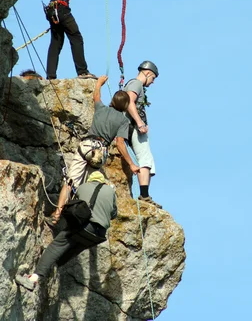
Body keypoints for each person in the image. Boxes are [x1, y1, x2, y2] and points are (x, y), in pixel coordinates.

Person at [49, 75, 139, 225]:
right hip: (100, 153)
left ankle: (57, 214)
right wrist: (131, 164)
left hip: (86, 146)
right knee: (95, 185)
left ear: (113, 101)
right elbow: (120, 144)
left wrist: (99, 83)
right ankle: (87, 219)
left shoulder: (101, 108)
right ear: (125, 107)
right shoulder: (123, 121)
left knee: (71, 181)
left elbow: (96, 96)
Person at [16, 171, 116, 290]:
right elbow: (114, 214)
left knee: (56, 246)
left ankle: (33, 279)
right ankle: (53, 267)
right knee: (72, 249)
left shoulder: (83, 187)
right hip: (99, 234)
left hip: (84, 226)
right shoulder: (111, 191)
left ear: (90, 180)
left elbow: (74, 203)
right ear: (103, 181)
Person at [44, 0, 121, 80]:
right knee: (76, 37)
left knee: (56, 43)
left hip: (54, 9)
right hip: (60, 8)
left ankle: (51, 76)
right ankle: (82, 72)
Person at [124, 61, 161, 208]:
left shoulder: (135, 85)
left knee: (146, 160)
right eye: (153, 79)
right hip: (133, 126)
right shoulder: (136, 84)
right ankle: (144, 195)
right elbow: (129, 102)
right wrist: (139, 122)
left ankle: (145, 193)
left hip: (131, 126)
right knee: (145, 158)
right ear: (148, 73)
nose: (152, 83)